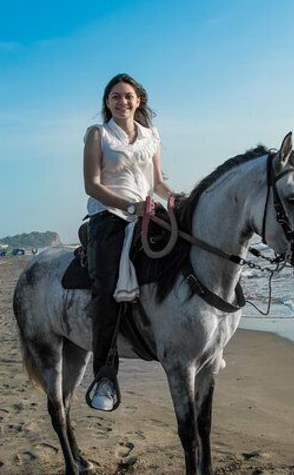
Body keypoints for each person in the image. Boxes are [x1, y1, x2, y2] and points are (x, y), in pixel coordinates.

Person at [83, 73, 175, 411]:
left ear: (139, 100)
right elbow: (92, 185)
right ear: (107, 102)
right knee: (106, 288)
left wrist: (175, 197)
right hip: (109, 217)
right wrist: (129, 205)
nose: (122, 101)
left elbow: (158, 182)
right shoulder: (99, 135)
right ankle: (105, 375)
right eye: (115, 97)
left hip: (145, 214)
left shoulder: (151, 137)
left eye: (128, 96)